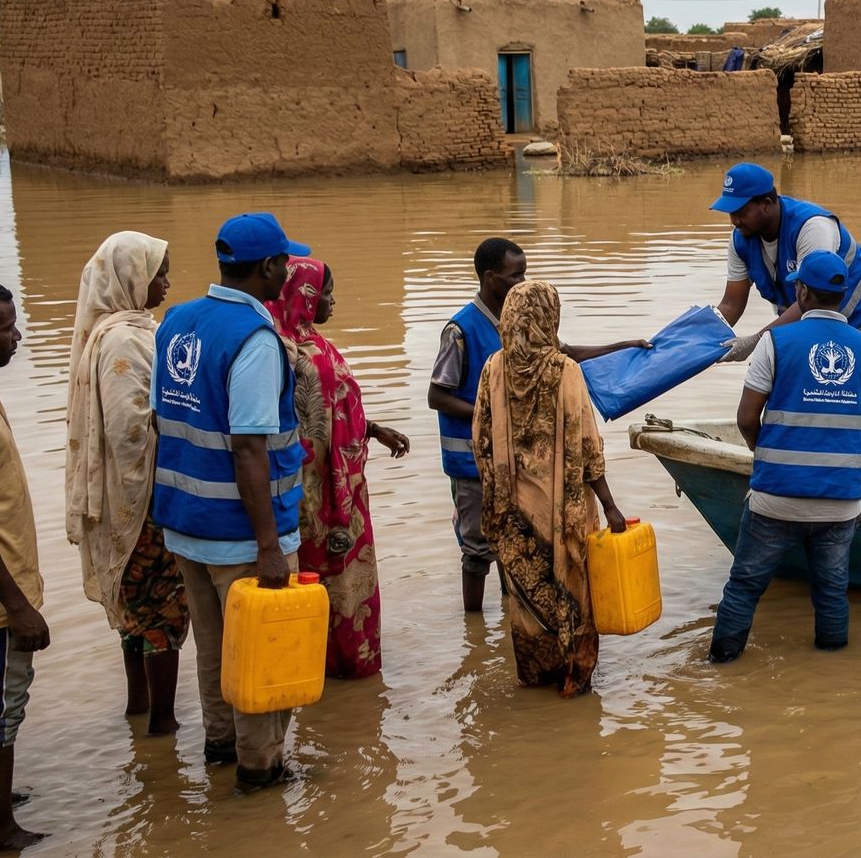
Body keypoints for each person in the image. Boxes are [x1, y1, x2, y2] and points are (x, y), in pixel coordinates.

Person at [151, 212, 309, 790]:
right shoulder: (256, 338)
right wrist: (269, 546)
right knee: (263, 658)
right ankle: (259, 770)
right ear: (267, 268)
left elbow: (166, 418)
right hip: (241, 534)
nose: (289, 272)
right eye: (284, 263)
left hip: (186, 524)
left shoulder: (178, 322)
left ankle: (219, 745)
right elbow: (249, 448)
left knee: (214, 649)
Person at [428, 238, 644, 615]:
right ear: (491, 277)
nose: (523, 280)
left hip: (518, 464)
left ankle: (511, 621)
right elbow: (437, 395)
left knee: (515, 545)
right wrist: (495, 415)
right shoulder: (461, 330)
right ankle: (474, 626)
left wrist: (623, 346)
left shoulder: (525, 320)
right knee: (478, 549)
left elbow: (563, 352)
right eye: (517, 274)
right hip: (471, 463)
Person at [710, 251, 861, 664]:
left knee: (744, 587)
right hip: (840, 503)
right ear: (842, 297)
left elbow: (745, 418)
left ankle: (721, 665)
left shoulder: (775, 342)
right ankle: (831, 674)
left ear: (803, 292)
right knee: (831, 592)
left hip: (776, 497)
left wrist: (768, 458)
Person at [470, 281, 627, 697]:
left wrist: (497, 495)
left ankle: (534, 679)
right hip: (561, 511)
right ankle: (574, 679)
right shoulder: (564, 371)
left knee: (524, 602)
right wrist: (610, 506)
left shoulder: (493, 369)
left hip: (514, 510)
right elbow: (588, 445)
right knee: (571, 589)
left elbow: (480, 441)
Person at [65, 232, 186, 736]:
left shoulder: (111, 331)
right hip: (141, 501)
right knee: (161, 610)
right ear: (131, 277)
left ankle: (138, 712)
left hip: (123, 497)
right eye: (158, 273)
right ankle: (163, 725)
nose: (166, 283)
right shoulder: (125, 339)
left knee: (135, 611)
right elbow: (129, 427)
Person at [267, 258, 408, 681]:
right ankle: (325, 670)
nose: (332, 300)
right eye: (326, 292)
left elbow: (335, 408)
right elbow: (303, 424)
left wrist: (374, 429)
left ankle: (345, 673)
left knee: (346, 580)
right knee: (318, 580)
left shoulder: (313, 342)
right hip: (313, 498)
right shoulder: (284, 349)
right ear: (305, 295)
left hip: (344, 488)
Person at [709, 163, 861, 470]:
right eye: (730, 211)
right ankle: (799, 468)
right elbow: (731, 304)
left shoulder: (812, 227)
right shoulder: (740, 238)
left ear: (767, 204)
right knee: (797, 400)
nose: (734, 219)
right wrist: (696, 342)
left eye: (741, 210)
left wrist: (757, 342)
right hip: (800, 320)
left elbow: (811, 298)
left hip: (860, 317)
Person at [0, 281, 49, 850]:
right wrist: (16, 603)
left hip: (0, 593)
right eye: (5, 328)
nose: (17, 336)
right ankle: (0, 829)